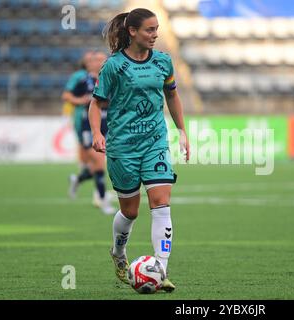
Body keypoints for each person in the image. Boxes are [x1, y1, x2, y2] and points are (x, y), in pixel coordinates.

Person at [88, 8, 190, 292]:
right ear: (132, 32)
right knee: (130, 212)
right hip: (122, 147)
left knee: (161, 203)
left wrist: (182, 130)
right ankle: (119, 254)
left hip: (155, 142)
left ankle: (161, 269)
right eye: (149, 30)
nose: (155, 34)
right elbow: (96, 104)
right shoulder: (114, 66)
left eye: (157, 29)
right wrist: (97, 133)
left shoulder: (163, 62)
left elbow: (172, 95)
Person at [63, 51, 115, 215]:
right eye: (94, 60)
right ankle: (103, 201)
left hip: (110, 124)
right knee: (99, 164)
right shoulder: (84, 79)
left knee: (96, 166)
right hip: (89, 126)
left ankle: (77, 179)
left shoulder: (112, 77)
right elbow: (67, 95)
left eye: (101, 59)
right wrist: (81, 101)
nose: (97, 62)